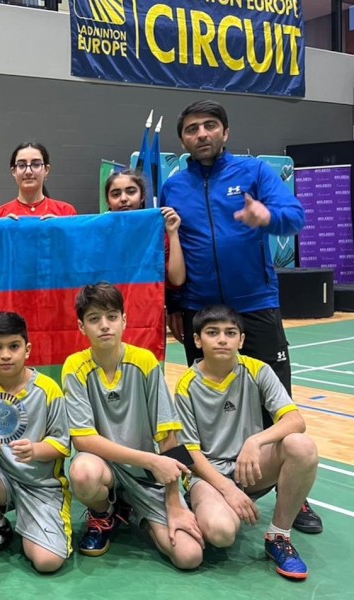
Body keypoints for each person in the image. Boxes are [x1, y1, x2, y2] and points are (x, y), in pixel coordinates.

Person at [161, 99, 321, 534]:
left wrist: (267, 216)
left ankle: (293, 492)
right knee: (206, 401)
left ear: (225, 132)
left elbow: (295, 217)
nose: (202, 134)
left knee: (276, 401)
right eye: (192, 128)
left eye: (210, 125)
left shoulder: (254, 173)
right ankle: (213, 481)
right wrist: (174, 304)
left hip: (255, 305)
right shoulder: (174, 187)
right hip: (199, 310)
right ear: (183, 140)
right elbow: (169, 247)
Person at [62, 283, 203, 570]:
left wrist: (174, 502)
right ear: (81, 326)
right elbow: (83, 441)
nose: (104, 325)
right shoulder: (74, 367)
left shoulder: (145, 361)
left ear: (124, 320)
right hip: (105, 468)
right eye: (94, 319)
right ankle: (104, 513)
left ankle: (138, 511)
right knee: (82, 471)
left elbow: (169, 437)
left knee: (189, 556)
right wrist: (151, 460)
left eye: (112, 317)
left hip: (146, 477)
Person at [174, 305, 318, 580]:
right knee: (222, 533)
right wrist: (227, 488)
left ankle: (278, 536)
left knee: (302, 446)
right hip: (208, 475)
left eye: (230, 333)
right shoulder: (187, 385)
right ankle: (207, 505)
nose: (222, 340)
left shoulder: (258, 370)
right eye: (212, 333)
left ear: (241, 340)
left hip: (249, 467)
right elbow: (188, 452)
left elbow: (295, 421)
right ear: (197, 340)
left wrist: (255, 441)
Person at [0, 312, 71, 572]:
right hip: (2, 481)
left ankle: (36, 524)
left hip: (42, 486)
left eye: (14, 346)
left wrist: (36, 450)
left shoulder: (48, 390)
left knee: (47, 562)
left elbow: (62, 444)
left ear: (27, 349)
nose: (5, 355)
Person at [104, 170, 185, 288]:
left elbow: (177, 280)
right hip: (111, 299)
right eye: (116, 194)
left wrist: (172, 233)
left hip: (148, 297)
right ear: (108, 201)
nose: (123, 198)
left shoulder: (157, 233)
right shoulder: (99, 235)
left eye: (131, 192)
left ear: (142, 196)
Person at [0, 142, 77, 219]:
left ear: (46, 170)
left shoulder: (66, 212)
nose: (28, 171)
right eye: (21, 165)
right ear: (14, 172)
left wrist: (60, 227)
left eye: (36, 164)